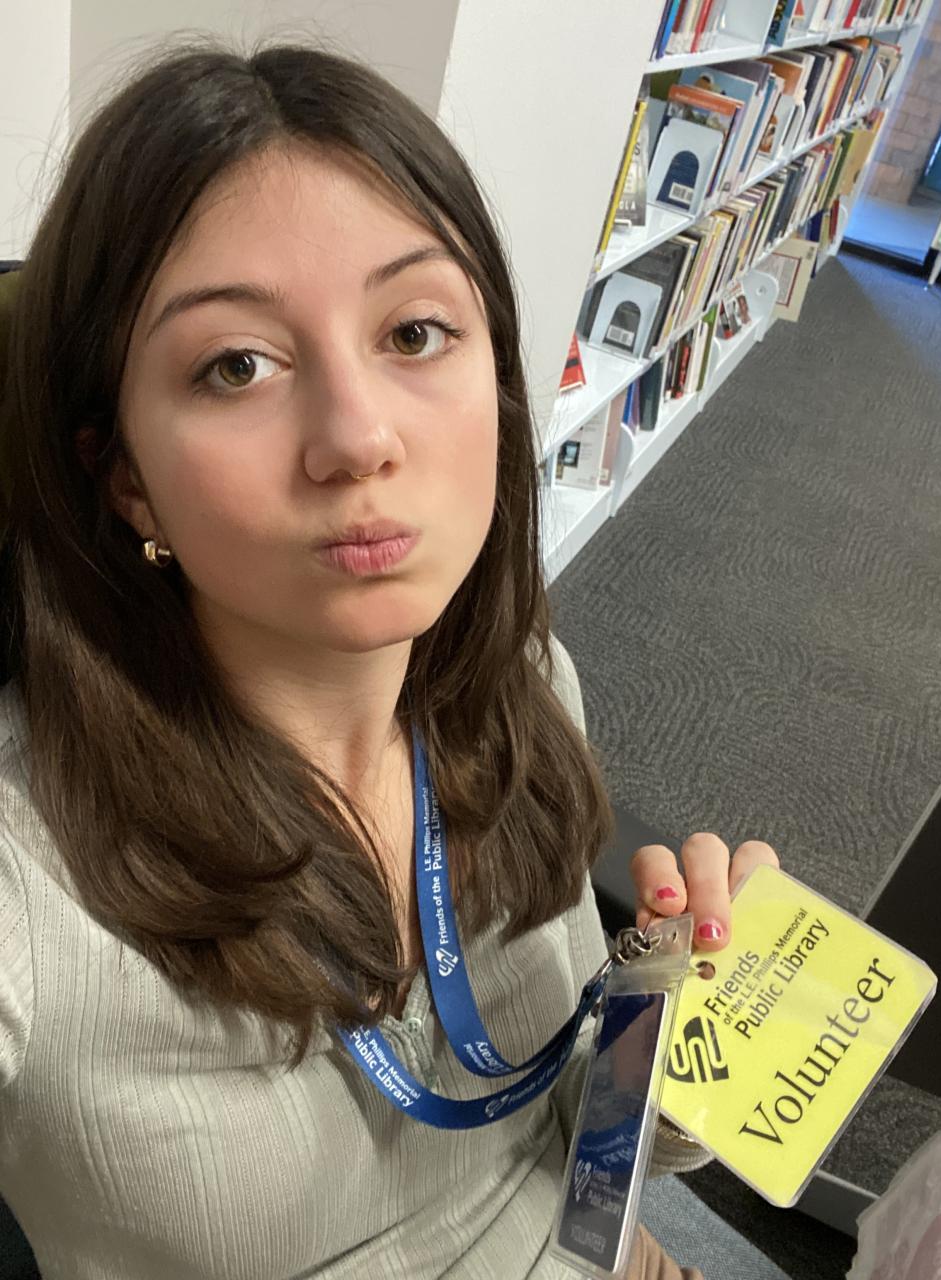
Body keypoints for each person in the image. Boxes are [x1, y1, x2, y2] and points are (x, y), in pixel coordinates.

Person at [0, 40, 779, 1279]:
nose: (358, 437)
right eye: (237, 365)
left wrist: (678, 1031)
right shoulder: (27, 876)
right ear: (127, 476)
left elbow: (579, 1149)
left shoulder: (522, 689)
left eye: (415, 331)